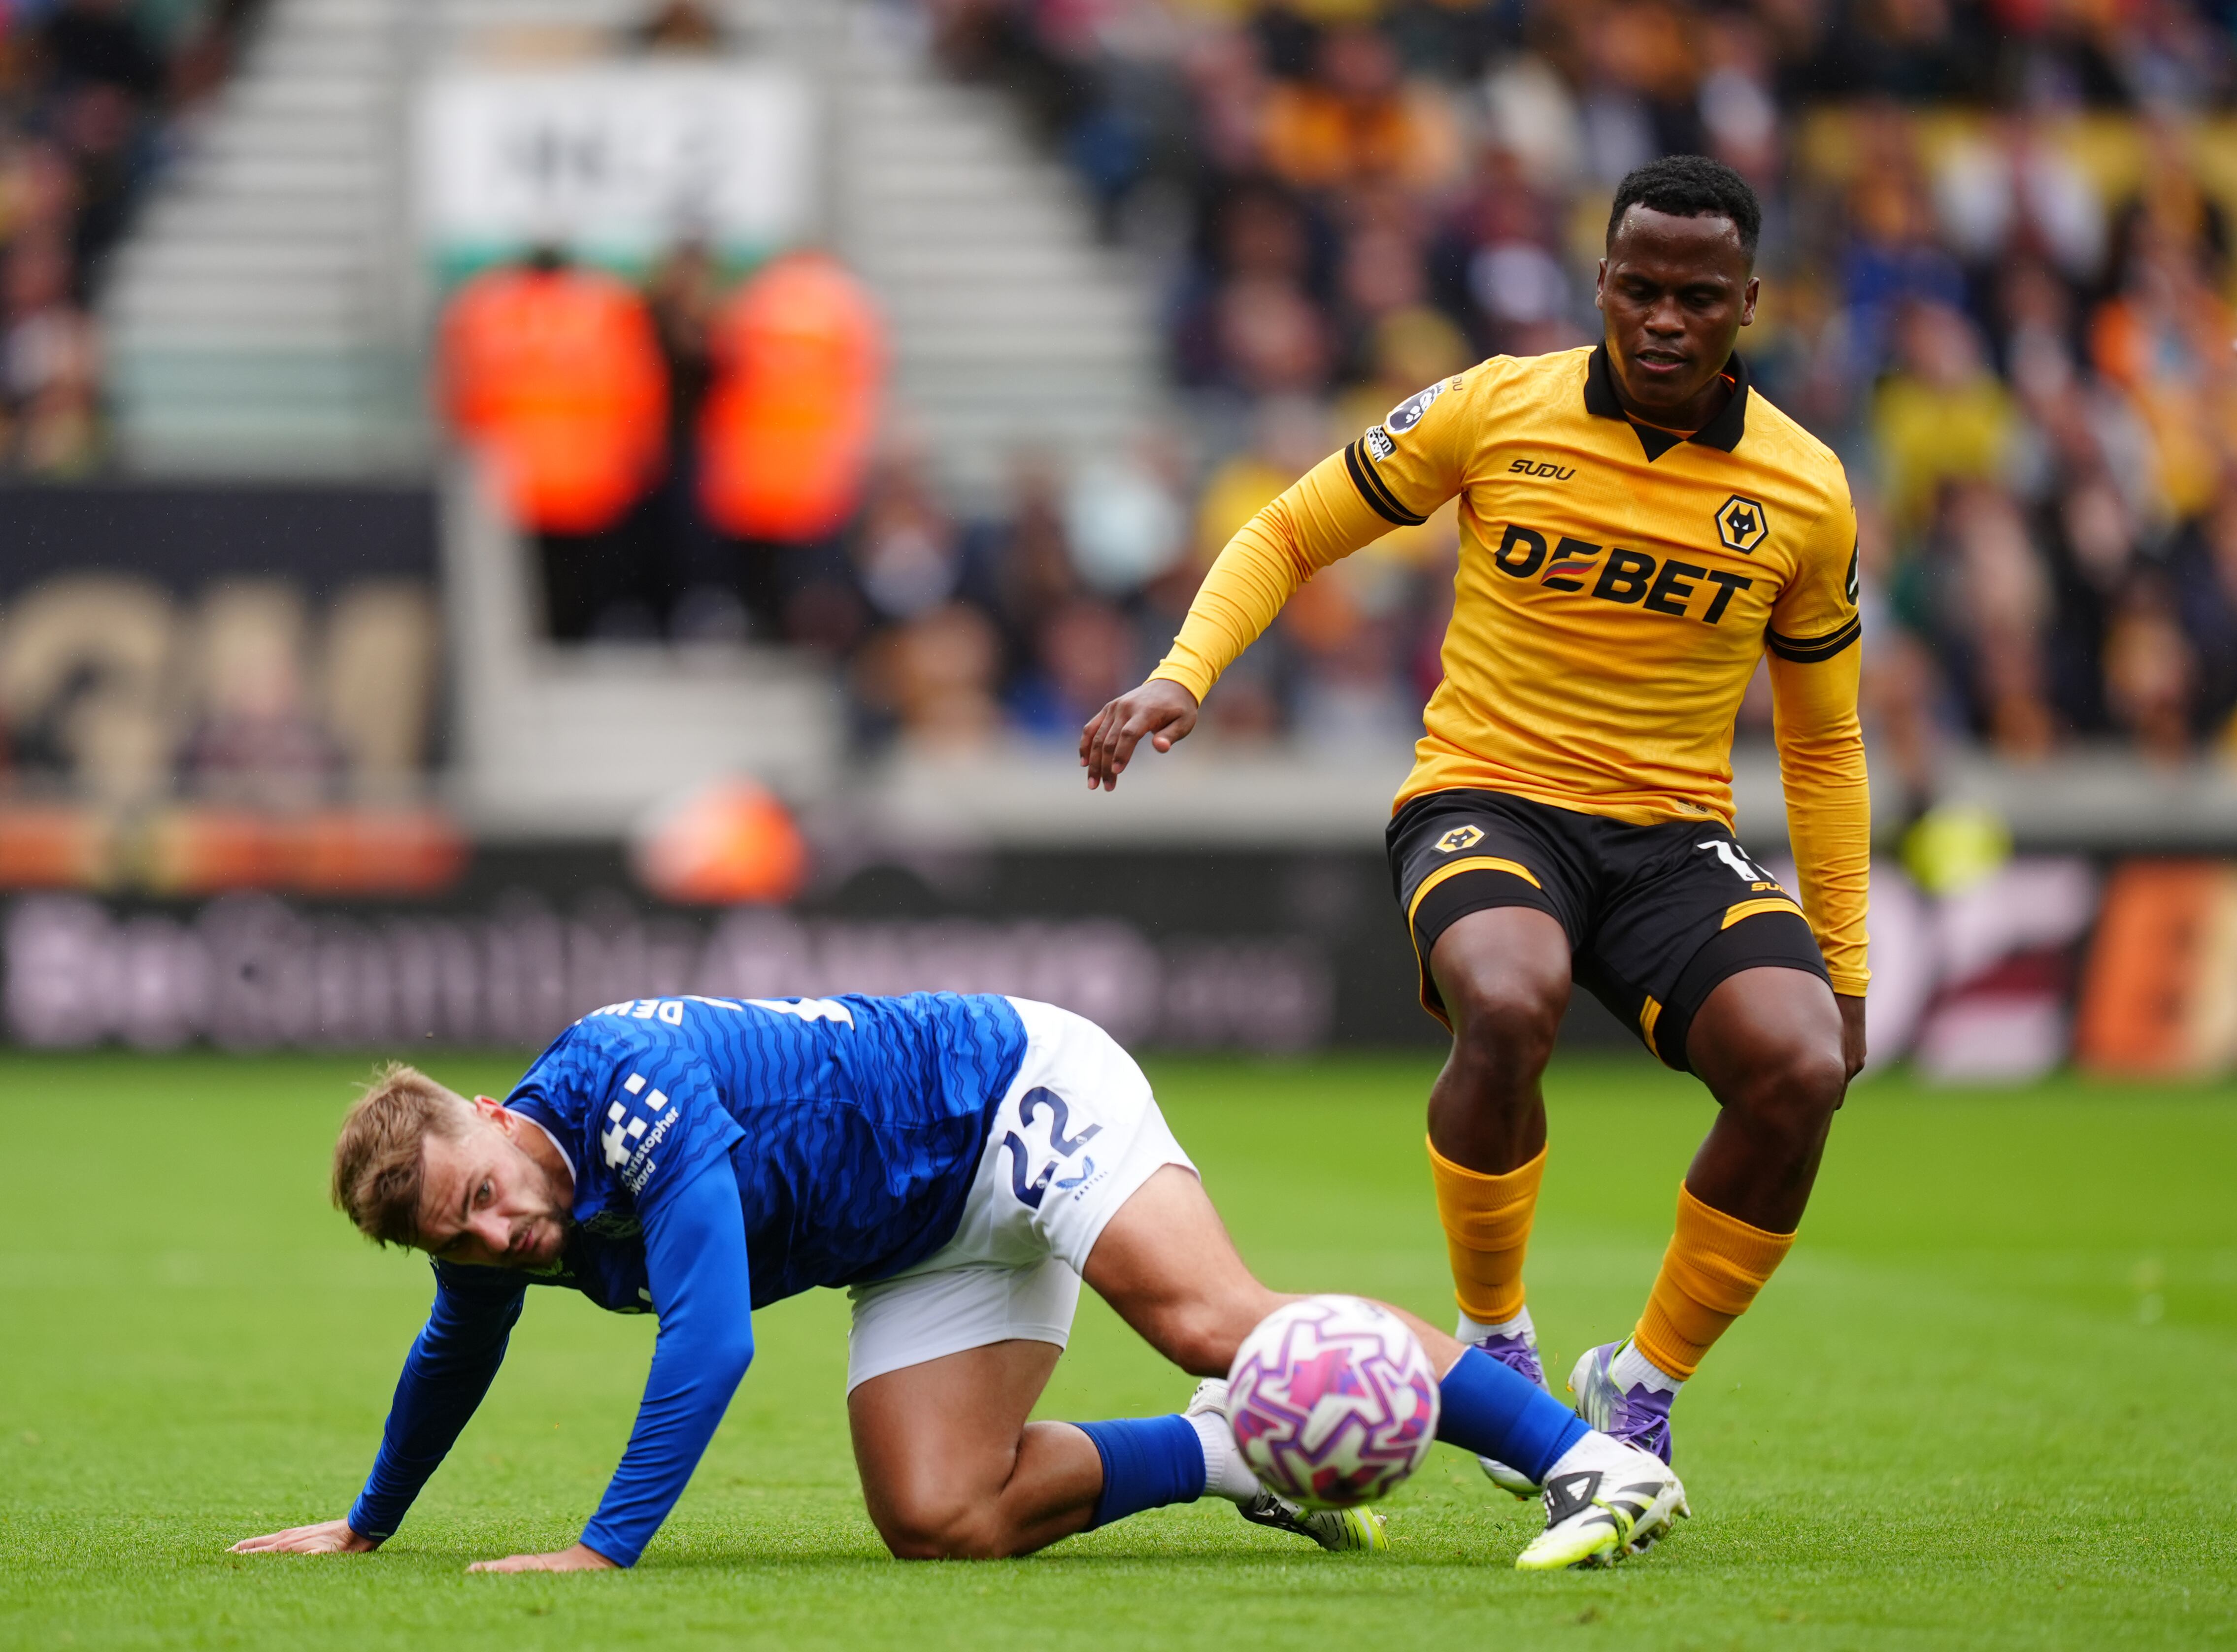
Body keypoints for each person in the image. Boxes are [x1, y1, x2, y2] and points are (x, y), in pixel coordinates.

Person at [1081, 155, 1868, 1488]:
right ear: (1600, 284)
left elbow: (1824, 736)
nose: (1663, 318)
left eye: (1697, 296)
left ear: (1749, 305)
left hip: (1673, 836)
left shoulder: (1805, 492)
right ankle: (1494, 1338)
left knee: (1799, 1064)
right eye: (1638, 288)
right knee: (1510, 999)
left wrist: (1843, 964)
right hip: (1486, 796)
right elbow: (1288, 528)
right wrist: (1183, 672)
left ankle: (1643, 1389)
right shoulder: (1498, 407)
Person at [229, 991, 1684, 1574]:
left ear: (490, 1111)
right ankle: (1242, 1450)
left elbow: (716, 1342)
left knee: (1205, 1314)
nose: (495, 1241)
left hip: (1006, 1092)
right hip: (919, 1232)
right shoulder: (500, 1214)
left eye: (481, 1199)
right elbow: (451, 1353)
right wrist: (367, 1527)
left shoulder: (623, 1085)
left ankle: (1593, 1460)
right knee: (939, 1515)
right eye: (456, 1241)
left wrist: (603, 1548)